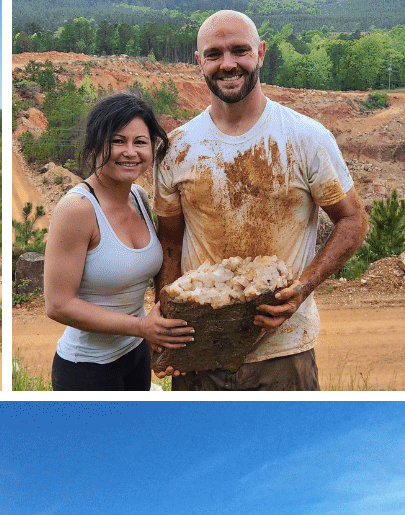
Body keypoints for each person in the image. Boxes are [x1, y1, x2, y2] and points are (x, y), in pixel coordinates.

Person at [153, 10, 368, 391]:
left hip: (283, 352)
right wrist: (166, 326)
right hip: (199, 352)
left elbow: (352, 220)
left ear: (261, 53)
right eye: (214, 54)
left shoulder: (306, 138)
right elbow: (170, 241)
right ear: (198, 61)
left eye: (240, 50)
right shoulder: (178, 148)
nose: (228, 64)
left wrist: (301, 289)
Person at [44, 92, 194, 391]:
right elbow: (58, 305)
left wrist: (153, 331)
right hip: (87, 368)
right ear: (96, 144)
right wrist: (141, 327)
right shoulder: (78, 209)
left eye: (140, 142)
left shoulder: (138, 197)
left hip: (135, 354)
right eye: (117, 141)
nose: (130, 152)